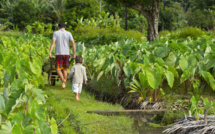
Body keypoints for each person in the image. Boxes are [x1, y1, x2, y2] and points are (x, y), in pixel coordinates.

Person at [49, 23, 76, 89]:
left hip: (59, 53)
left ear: (59, 27)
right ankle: (64, 83)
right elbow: (73, 43)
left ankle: (63, 80)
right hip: (66, 54)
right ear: (65, 27)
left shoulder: (56, 33)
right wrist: (74, 53)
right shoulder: (69, 33)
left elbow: (53, 43)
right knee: (65, 69)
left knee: (58, 69)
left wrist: (50, 52)